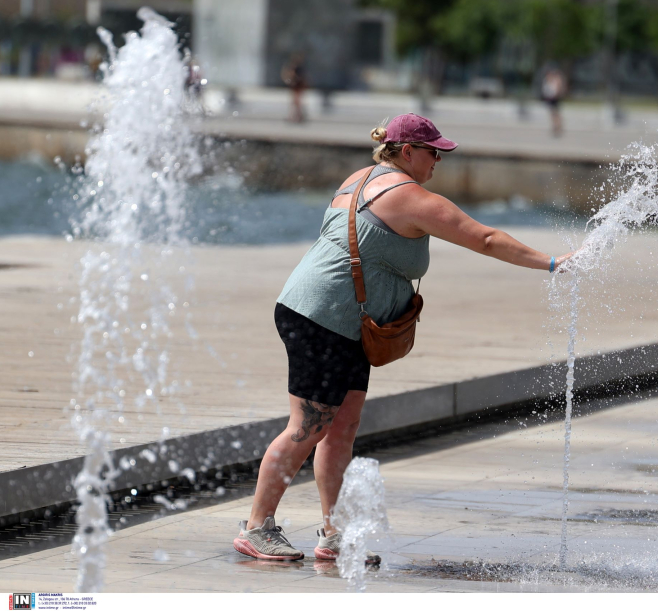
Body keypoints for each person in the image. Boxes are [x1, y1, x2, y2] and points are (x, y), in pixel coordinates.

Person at [233, 113, 576, 563]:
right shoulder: (411, 198)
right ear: (407, 152)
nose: (439, 160)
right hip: (321, 317)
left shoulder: (361, 177)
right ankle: (257, 526)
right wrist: (553, 263)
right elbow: (486, 239)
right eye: (433, 152)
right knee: (310, 425)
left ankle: (333, 535)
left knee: (342, 429)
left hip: (342, 321)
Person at [541, 67, 567, 137]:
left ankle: (558, 127)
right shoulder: (548, 79)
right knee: (553, 113)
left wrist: (557, 95)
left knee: (555, 113)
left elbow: (558, 89)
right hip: (550, 98)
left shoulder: (556, 80)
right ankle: (556, 126)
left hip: (554, 98)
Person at [282, 53, 307, 123]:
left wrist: (290, 80)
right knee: (296, 102)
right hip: (297, 86)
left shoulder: (296, 68)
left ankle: (295, 116)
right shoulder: (298, 68)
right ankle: (297, 116)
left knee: (296, 102)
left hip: (297, 85)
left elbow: (292, 75)